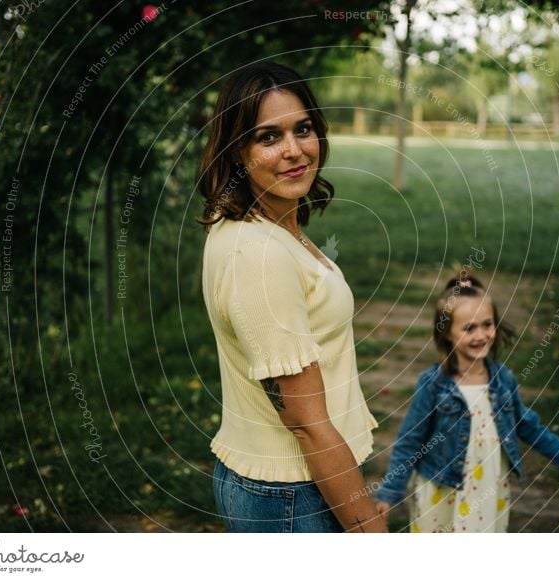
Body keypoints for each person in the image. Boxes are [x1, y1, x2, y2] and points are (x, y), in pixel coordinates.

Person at [198, 62, 385, 533]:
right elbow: (306, 425)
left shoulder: (264, 227)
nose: (294, 150)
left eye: (302, 129)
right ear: (237, 152)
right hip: (294, 496)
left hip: (299, 483)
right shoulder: (259, 254)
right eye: (268, 137)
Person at [375, 274, 559, 532]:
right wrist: (389, 493)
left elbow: (528, 426)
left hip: (489, 486)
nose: (481, 335)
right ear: (446, 334)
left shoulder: (502, 380)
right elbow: (410, 440)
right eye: (469, 328)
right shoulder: (434, 384)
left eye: (487, 325)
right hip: (442, 489)